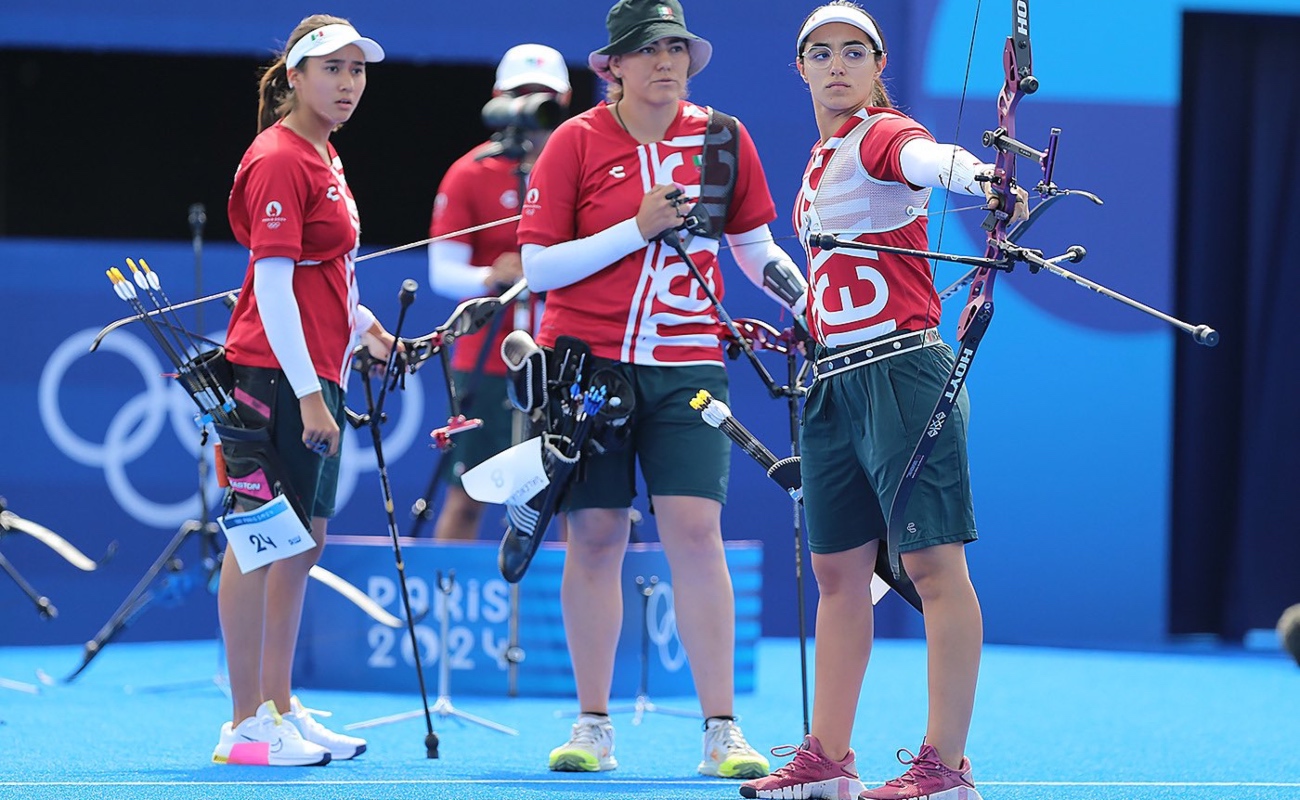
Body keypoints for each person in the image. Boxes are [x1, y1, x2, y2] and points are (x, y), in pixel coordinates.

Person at [739, 3, 1028, 799]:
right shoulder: (820, 156)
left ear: (878, 66)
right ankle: (827, 758)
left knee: (933, 567)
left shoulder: (880, 133)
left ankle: (945, 766)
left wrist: (984, 180)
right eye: (821, 53)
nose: (837, 65)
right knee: (837, 572)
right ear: (800, 69)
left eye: (854, 53)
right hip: (833, 379)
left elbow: (929, 160)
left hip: (902, 374)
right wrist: (800, 324)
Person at [517, 0, 808, 780]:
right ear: (611, 65)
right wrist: (634, 229)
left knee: (694, 531)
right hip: (585, 371)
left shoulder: (723, 138)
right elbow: (539, 268)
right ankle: (593, 725)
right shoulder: (574, 142)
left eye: (676, 46)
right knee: (597, 537)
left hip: (688, 367)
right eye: (647, 49)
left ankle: (723, 730)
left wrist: (813, 308)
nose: (665, 61)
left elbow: (754, 249)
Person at [212, 15, 397, 767]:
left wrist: (362, 326)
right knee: (262, 539)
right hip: (274, 374)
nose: (347, 83)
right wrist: (310, 394)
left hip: (319, 366)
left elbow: (325, 273)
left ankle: (278, 704)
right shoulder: (279, 157)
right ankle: (243, 726)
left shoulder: (325, 154)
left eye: (357, 70)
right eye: (332, 69)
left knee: (305, 540)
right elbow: (273, 285)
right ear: (294, 75)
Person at [427, 44, 571, 542]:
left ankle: (577, 621)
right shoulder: (470, 171)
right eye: (521, 96)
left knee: (578, 506)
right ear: (498, 100)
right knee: (467, 499)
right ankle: (445, 619)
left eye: (543, 98)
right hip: (487, 363)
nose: (532, 109)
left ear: (565, 98)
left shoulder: (582, 168)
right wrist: (492, 276)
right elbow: (441, 271)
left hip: (564, 354)